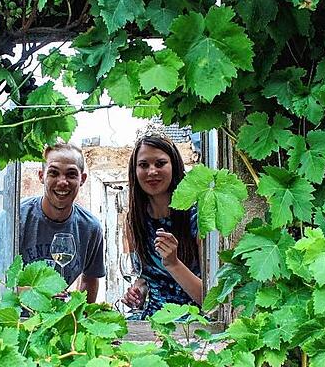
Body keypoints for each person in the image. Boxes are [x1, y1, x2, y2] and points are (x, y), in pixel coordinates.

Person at [122, 134, 202, 319]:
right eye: (143, 165)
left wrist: (173, 263)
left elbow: (211, 300)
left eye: (160, 163)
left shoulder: (197, 216)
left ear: (174, 166)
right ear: (134, 171)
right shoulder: (135, 220)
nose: (152, 171)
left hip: (192, 321)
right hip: (152, 319)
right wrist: (138, 291)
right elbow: (145, 277)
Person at [19, 142, 105, 303]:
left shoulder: (90, 228)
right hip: (15, 319)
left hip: (59, 321)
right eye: (53, 173)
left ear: (82, 179)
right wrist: (36, 294)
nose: (62, 182)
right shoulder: (18, 218)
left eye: (71, 174)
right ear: (41, 176)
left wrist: (78, 317)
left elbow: (90, 279)